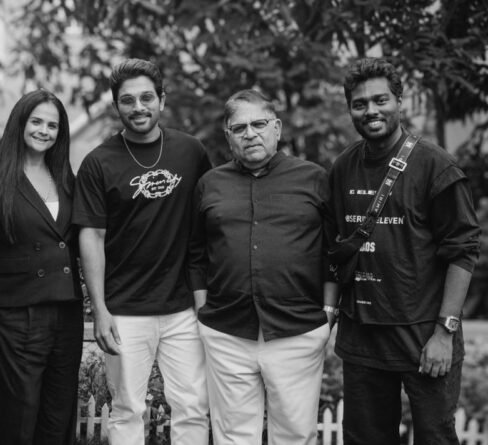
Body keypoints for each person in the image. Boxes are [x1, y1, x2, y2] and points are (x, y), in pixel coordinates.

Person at [328, 57, 480, 444]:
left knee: (435, 437)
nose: (371, 110)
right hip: (362, 335)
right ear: (350, 109)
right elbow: (334, 245)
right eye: (360, 104)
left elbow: (463, 251)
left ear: (400, 101)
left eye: (380, 100)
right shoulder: (343, 167)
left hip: (424, 335)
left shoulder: (435, 166)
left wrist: (444, 333)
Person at [73, 59, 210, 444]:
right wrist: (100, 310)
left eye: (147, 98)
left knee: (193, 406)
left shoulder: (191, 152)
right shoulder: (98, 163)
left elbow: (209, 222)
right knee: (127, 409)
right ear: (116, 106)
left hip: (183, 308)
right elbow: (91, 237)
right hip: (124, 311)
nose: (138, 107)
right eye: (128, 100)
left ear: (161, 100)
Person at [188, 89, 337, 444]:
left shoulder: (314, 178)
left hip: (298, 330)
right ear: (228, 136)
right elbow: (196, 253)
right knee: (233, 437)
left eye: (259, 124)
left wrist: (329, 312)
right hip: (226, 331)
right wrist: (202, 310)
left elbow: (333, 251)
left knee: (295, 435)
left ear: (277, 128)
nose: (250, 134)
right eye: (239, 128)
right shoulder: (210, 184)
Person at [0, 89, 83, 445]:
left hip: (66, 311)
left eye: (52, 125)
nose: (43, 131)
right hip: (14, 314)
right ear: (20, 123)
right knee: (15, 415)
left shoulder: (67, 180)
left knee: (58, 414)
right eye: (36, 121)